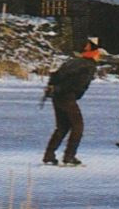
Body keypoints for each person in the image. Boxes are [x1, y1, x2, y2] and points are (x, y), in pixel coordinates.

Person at [41, 37, 105, 167]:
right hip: (67, 96)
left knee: (63, 126)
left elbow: (56, 75)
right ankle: (69, 156)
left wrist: (53, 88)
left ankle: (49, 155)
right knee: (78, 126)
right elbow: (76, 84)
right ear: (96, 54)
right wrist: (68, 91)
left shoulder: (74, 61)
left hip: (57, 96)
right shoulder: (88, 66)